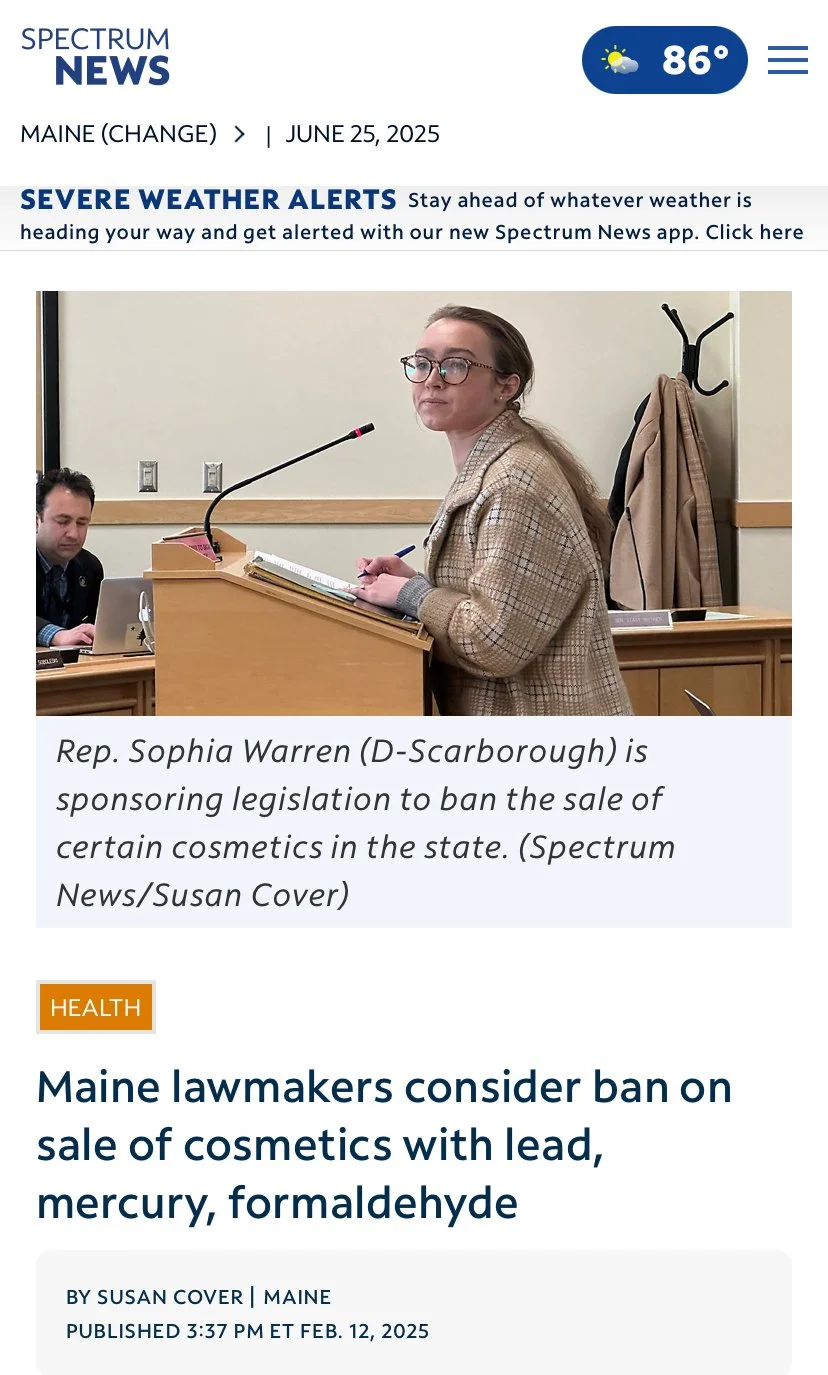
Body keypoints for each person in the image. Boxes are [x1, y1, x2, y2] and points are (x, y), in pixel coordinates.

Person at [355, 305, 632, 716]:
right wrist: (414, 583)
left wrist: (412, 595)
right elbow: (494, 599)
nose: (432, 379)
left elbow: (494, 642)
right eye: (422, 363)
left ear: (506, 386)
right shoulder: (495, 464)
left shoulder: (515, 480)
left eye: (456, 365)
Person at [36, 468, 103, 647]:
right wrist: (56, 635)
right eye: (63, 521)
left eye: (82, 523)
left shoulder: (90, 566)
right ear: (36, 520)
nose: (73, 534)